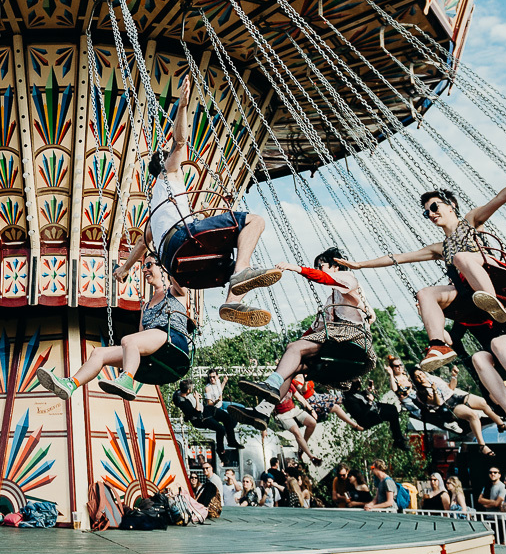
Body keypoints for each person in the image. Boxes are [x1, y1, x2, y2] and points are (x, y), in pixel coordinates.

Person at [335, 158, 506, 372]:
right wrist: (360, 265)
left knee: (461, 258)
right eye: (427, 212)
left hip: (493, 276)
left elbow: (499, 199)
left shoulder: (470, 221)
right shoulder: (440, 248)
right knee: (425, 293)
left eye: (435, 207)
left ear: (451, 205)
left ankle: (493, 302)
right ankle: (438, 345)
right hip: (469, 292)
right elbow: (398, 257)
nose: (431, 213)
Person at [111, 77, 277, 326]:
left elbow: (141, 246)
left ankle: (232, 301)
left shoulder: (155, 211)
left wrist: (124, 269)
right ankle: (243, 270)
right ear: (165, 162)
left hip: (174, 263)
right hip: (183, 239)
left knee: (229, 266)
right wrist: (181, 107)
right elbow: (180, 142)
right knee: (254, 221)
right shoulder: (169, 172)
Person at [38, 255, 192, 400]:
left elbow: (180, 280)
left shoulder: (175, 291)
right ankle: (71, 384)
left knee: (128, 341)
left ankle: (127, 380)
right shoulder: (146, 306)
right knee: (99, 353)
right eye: (144, 266)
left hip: (172, 338)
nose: (144, 269)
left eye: (149, 265)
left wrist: (166, 256)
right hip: (152, 345)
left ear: (162, 267)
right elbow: (142, 334)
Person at [243, 248, 376, 407]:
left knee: (295, 348)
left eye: (322, 265)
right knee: (292, 365)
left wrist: (295, 268)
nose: (318, 269)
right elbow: (316, 329)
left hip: (350, 335)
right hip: (335, 340)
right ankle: (263, 411)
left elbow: (323, 278)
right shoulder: (331, 301)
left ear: (335, 266)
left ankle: (271, 383)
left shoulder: (348, 278)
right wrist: (294, 350)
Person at [415, 364, 503, 452]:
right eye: (417, 376)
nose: (420, 377)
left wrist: (454, 376)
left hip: (455, 397)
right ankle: (482, 445)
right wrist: (434, 390)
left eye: (421, 374)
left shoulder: (434, 379)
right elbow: (438, 402)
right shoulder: (421, 392)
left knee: (482, 403)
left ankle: (501, 424)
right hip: (447, 407)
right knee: (472, 415)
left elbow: (451, 388)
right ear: (415, 380)